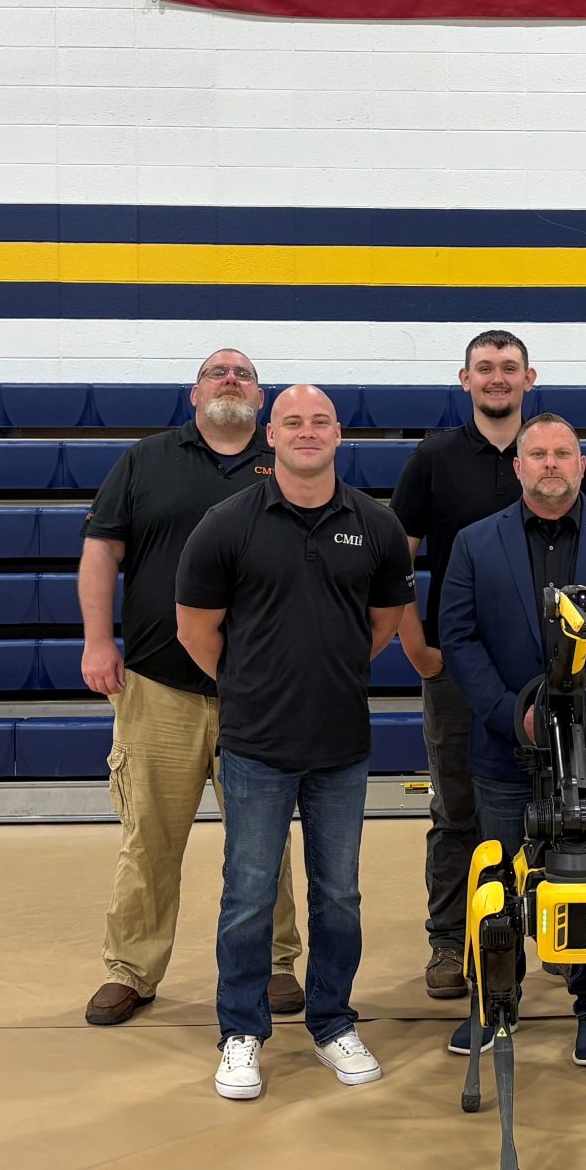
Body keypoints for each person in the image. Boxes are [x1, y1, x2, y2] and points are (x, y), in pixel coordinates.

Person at [175, 384, 413, 1102]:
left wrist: (326, 674)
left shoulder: (376, 524)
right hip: (255, 745)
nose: (307, 432)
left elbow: (382, 623)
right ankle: (241, 1031)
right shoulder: (226, 524)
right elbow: (195, 631)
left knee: (338, 895)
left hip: (341, 744)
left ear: (338, 434)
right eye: (293, 422)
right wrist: (255, 684)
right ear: (270, 435)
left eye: (320, 421)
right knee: (249, 895)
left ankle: (333, 1021)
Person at [78, 350, 304, 1029]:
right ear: (194, 394)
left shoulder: (289, 462)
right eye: (216, 373)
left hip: (258, 689)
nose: (230, 380)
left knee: (264, 841)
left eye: (243, 375)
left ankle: (274, 962)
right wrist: (97, 641)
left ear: (260, 400)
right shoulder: (145, 461)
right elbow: (101, 552)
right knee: (149, 839)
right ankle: (130, 969)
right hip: (158, 685)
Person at [437, 413, 586, 1065]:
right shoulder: (475, 543)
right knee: (498, 878)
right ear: (518, 467)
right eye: (536, 454)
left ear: (581, 464)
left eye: (562, 453)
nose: (550, 465)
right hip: (505, 745)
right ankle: (493, 1000)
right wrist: (511, 714)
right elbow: (459, 636)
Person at [391, 329, 536, 1001]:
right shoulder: (434, 457)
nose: (496, 377)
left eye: (508, 367)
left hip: (540, 669)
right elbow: (395, 561)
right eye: (485, 367)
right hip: (455, 668)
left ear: (528, 378)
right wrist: (415, 645)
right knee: (456, 809)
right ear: (465, 379)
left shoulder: (549, 450)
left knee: (551, 804)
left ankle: (546, 934)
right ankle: (451, 940)